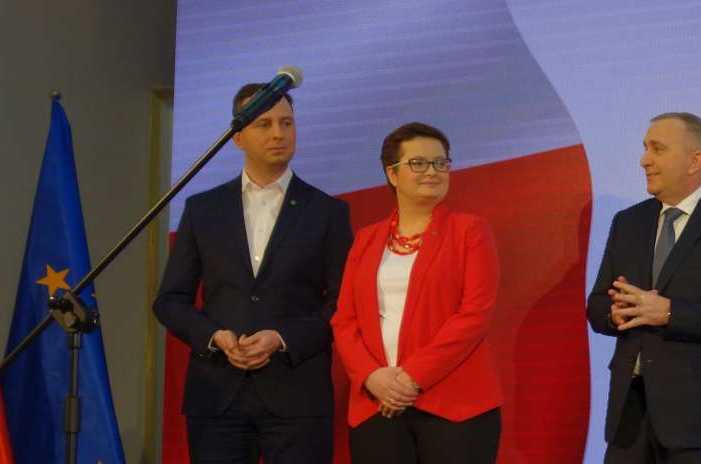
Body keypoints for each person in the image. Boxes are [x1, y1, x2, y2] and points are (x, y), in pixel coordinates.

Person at [154, 83, 353, 464]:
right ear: (238, 137)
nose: (278, 134)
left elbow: (345, 303)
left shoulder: (328, 212)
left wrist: (282, 338)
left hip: (298, 394)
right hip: (217, 393)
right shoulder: (202, 209)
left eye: (286, 123)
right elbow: (170, 301)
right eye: (264, 124)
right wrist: (215, 337)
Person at [588, 112, 701, 463]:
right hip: (631, 414)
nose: (644, 160)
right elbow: (596, 304)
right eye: (645, 148)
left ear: (695, 161)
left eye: (657, 149)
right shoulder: (628, 222)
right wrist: (615, 312)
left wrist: (670, 313)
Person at [332, 122, 502, 462]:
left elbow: (474, 315)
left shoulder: (470, 231)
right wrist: (371, 376)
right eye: (419, 163)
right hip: (377, 402)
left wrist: (411, 378)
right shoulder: (366, 239)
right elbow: (344, 321)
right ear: (392, 174)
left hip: (455, 404)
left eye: (440, 163)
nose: (432, 172)